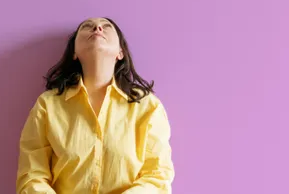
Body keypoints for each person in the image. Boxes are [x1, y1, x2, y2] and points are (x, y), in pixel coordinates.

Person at [16, 17, 175, 194]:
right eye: (87, 26)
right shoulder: (47, 105)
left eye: (106, 26)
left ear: (120, 53)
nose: (97, 28)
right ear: (74, 53)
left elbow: (157, 176)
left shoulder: (147, 107)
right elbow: (32, 176)